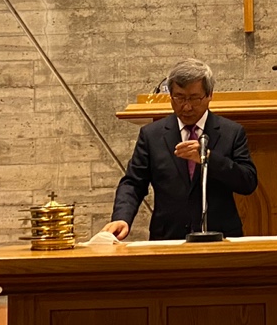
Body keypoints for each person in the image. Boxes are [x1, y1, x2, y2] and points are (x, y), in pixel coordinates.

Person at [103, 58, 258, 241]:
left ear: (209, 95)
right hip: (168, 239)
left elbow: (248, 182)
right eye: (179, 98)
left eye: (194, 98)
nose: (186, 106)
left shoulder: (231, 132)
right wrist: (122, 217)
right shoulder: (152, 135)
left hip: (220, 238)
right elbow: (133, 183)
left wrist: (209, 159)